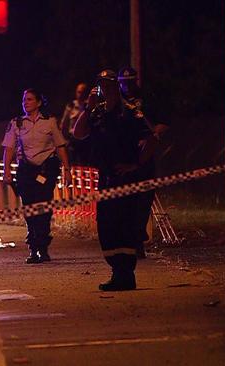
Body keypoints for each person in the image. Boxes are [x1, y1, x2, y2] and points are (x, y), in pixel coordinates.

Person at [73, 70, 158, 291]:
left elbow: (151, 139)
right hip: (105, 179)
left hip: (125, 179)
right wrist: (87, 107)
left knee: (124, 226)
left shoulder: (130, 112)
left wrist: (136, 165)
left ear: (116, 87)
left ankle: (125, 274)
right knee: (106, 226)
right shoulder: (97, 113)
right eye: (101, 85)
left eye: (109, 84)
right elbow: (78, 133)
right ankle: (117, 272)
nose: (105, 89)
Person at [2, 88, 72, 264]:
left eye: (30, 100)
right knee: (29, 209)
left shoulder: (49, 122)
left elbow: (60, 146)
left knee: (44, 209)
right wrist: (7, 171)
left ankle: (43, 246)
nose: (26, 103)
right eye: (24, 100)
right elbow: (9, 148)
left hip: (46, 170)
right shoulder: (17, 123)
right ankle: (33, 248)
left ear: (39, 102)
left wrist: (67, 170)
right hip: (26, 171)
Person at [117, 67, 169, 139]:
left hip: (145, 139)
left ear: (135, 82)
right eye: (124, 83)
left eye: (130, 83)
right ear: (119, 83)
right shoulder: (115, 100)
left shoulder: (147, 97)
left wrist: (160, 126)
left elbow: (160, 117)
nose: (127, 87)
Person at [59, 82, 89, 164]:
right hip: (73, 140)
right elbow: (64, 124)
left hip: (86, 141)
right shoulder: (71, 106)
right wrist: (64, 141)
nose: (80, 95)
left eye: (83, 92)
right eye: (79, 92)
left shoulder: (89, 106)